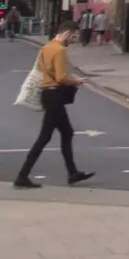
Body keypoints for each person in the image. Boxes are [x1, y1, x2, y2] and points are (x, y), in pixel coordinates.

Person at [13, 25, 94, 188]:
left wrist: (68, 77)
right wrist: (76, 81)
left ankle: (72, 173)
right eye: (73, 36)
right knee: (45, 138)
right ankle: (22, 176)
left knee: (64, 132)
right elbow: (61, 78)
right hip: (54, 95)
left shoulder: (46, 47)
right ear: (66, 33)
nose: (74, 40)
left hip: (47, 94)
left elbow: (47, 72)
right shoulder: (60, 51)